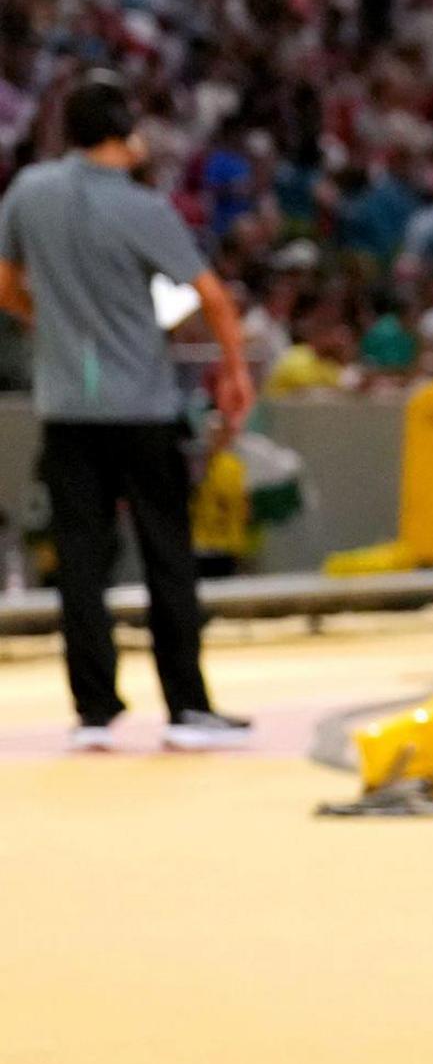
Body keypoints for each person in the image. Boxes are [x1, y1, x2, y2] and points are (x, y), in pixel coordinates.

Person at [0, 77, 256, 752]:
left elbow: (5, 284)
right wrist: (233, 373)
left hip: (66, 404)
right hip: (140, 406)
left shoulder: (29, 193)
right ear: (125, 131)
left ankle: (92, 709)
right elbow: (213, 299)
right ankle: (186, 707)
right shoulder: (145, 208)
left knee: (80, 560)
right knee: (166, 551)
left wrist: (50, 322)